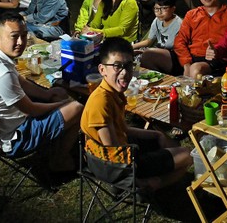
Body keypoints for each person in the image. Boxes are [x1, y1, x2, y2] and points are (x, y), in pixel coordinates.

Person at [0, 12, 83, 174]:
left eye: (24, 35)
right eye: (14, 37)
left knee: (56, 92)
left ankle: (55, 143)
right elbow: (31, 109)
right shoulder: (0, 73)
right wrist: (61, 105)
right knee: (77, 108)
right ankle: (59, 159)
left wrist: (48, 95)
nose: (21, 42)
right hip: (14, 140)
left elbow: (20, 81)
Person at [80, 38, 192, 191]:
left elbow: (122, 129)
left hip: (113, 158)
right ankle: (152, 185)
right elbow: (113, 150)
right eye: (117, 66)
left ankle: (157, 174)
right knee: (188, 155)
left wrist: (155, 135)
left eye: (128, 66)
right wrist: (137, 173)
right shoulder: (101, 101)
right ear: (102, 70)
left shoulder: (110, 93)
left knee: (166, 140)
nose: (124, 72)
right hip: (120, 167)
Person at [173, 0, 227, 78]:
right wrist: (186, 64)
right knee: (150, 55)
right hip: (191, 57)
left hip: (217, 59)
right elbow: (180, 40)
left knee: (196, 68)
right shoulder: (192, 14)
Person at [133, 0, 183, 74]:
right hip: (160, 52)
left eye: (164, 8)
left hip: (174, 57)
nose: (159, 12)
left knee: (146, 54)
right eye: (156, 8)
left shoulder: (179, 24)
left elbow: (170, 47)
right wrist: (131, 47)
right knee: (136, 55)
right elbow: (149, 41)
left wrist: (149, 51)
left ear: (173, 9)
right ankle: (136, 78)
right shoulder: (157, 20)